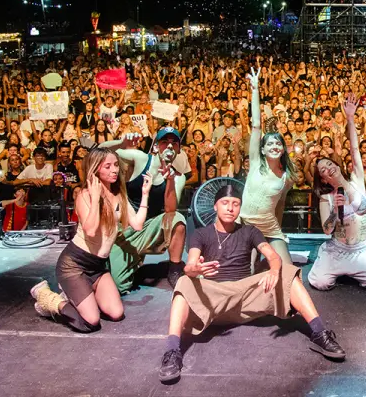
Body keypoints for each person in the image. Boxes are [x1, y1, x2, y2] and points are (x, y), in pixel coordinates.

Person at [158, 184, 345, 384]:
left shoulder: (250, 231)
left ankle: (320, 333)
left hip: (245, 297)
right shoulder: (201, 234)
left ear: (240, 208)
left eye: (235, 204)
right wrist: (196, 270)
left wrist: (274, 270)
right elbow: (190, 265)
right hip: (214, 301)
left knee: (288, 273)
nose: (230, 208)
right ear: (215, 207)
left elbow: (272, 255)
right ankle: (172, 351)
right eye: (225, 203)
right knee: (184, 282)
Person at [29, 147, 151, 332]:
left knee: (116, 313)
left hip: (98, 267)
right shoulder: (84, 196)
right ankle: (48, 298)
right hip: (74, 265)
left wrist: (145, 194)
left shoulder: (119, 195)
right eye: (108, 166)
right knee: (91, 322)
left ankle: (81, 293)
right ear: (96, 169)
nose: (114, 170)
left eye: (116, 165)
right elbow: (91, 230)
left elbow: (137, 224)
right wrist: (96, 199)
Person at [308, 94, 366, 291]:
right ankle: (328, 261)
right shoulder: (326, 198)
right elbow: (327, 230)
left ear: (336, 164)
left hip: (360, 249)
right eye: (323, 170)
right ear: (324, 179)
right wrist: (336, 211)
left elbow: (354, 149)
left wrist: (350, 119)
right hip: (338, 250)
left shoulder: (357, 179)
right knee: (320, 283)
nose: (328, 168)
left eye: (329, 163)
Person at [101, 127, 191, 292]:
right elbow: (100, 151)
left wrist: (170, 180)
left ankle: (175, 267)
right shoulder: (141, 159)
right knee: (118, 286)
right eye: (164, 142)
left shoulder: (179, 177)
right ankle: (142, 265)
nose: (169, 147)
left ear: (178, 150)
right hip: (124, 227)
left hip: (149, 229)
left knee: (178, 219)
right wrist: (122, 142)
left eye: (174, 143)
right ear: (156, 147)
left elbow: (170, 210)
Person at [239, 67, 296, 265]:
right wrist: (255, 89)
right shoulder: (255, 162)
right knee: (247, 271)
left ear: (282, 149)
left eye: (277, 143)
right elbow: (256, 125)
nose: (273, 145)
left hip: (270, 228)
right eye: (269, 143)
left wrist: (277, 235)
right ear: (262, 150)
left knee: (287, 269)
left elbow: (280, 206)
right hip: (245, 225)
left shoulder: (286, 177)